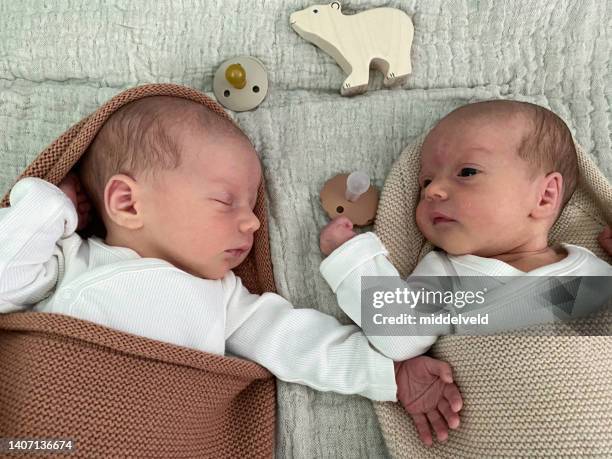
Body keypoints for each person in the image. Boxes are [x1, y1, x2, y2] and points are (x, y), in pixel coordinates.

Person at [0, 95, 462, 446]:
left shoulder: (222, 297)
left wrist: (386, 375)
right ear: (126, 202)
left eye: (251, 203)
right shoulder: (70, 262)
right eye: (226, 201)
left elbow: (299, 344)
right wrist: (48, 204)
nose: (254, 221)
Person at [319, 100, 612, 360]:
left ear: (545, 196)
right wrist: (352, 258)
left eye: (467, 172)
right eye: (425, 182)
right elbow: (400, 333)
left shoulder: (594, 273)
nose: (433, 190)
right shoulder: (449, 277)